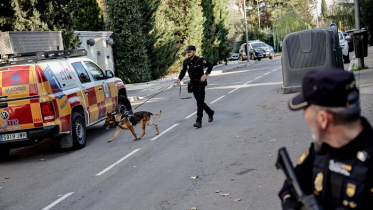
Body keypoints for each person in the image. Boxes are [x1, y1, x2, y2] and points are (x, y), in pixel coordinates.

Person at [279, 69, 373, 210]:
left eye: (306, 109)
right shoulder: (320, 149)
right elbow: (291, 184)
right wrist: (289, 203)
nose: (303, 115)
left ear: (323, 119)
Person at [175, 45, 215, 128]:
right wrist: (179, 79)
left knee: (199, 102)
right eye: (187, 52)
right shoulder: (186, 61)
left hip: (200, 83)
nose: (188, 53)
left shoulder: (200, 60)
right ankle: (210, 112)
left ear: (194, 51)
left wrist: (205, 75)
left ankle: (198, 121)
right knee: (199, 102)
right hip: (193, 84)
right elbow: (183, 71)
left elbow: (210, 65)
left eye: (189, 52)